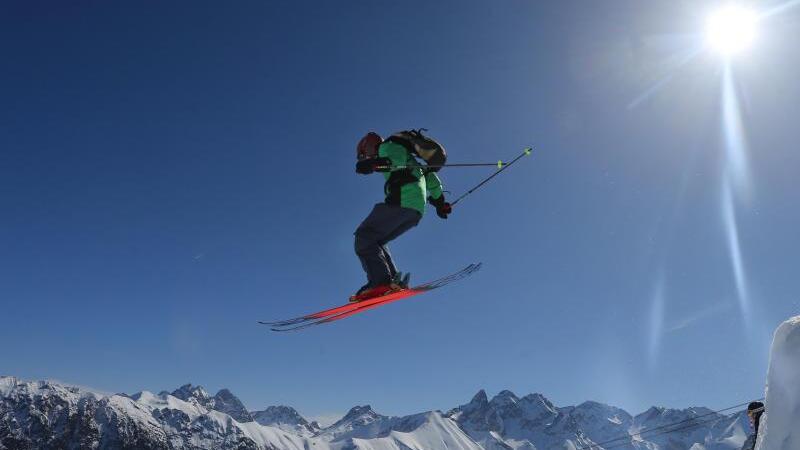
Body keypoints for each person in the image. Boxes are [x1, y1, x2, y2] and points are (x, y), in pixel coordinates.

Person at [351, 129, 451, 302]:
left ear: (368, 147)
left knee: (365, 235)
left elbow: (393, 162)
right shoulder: (411, 159)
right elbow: (433, 182)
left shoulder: (387, 146)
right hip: (415, 212)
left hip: (401, 201)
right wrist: (440, 203)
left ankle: (380, 283)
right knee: (376, 240)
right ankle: (391, 283)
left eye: (364, 155)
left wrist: (373, 164)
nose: (365, 157)